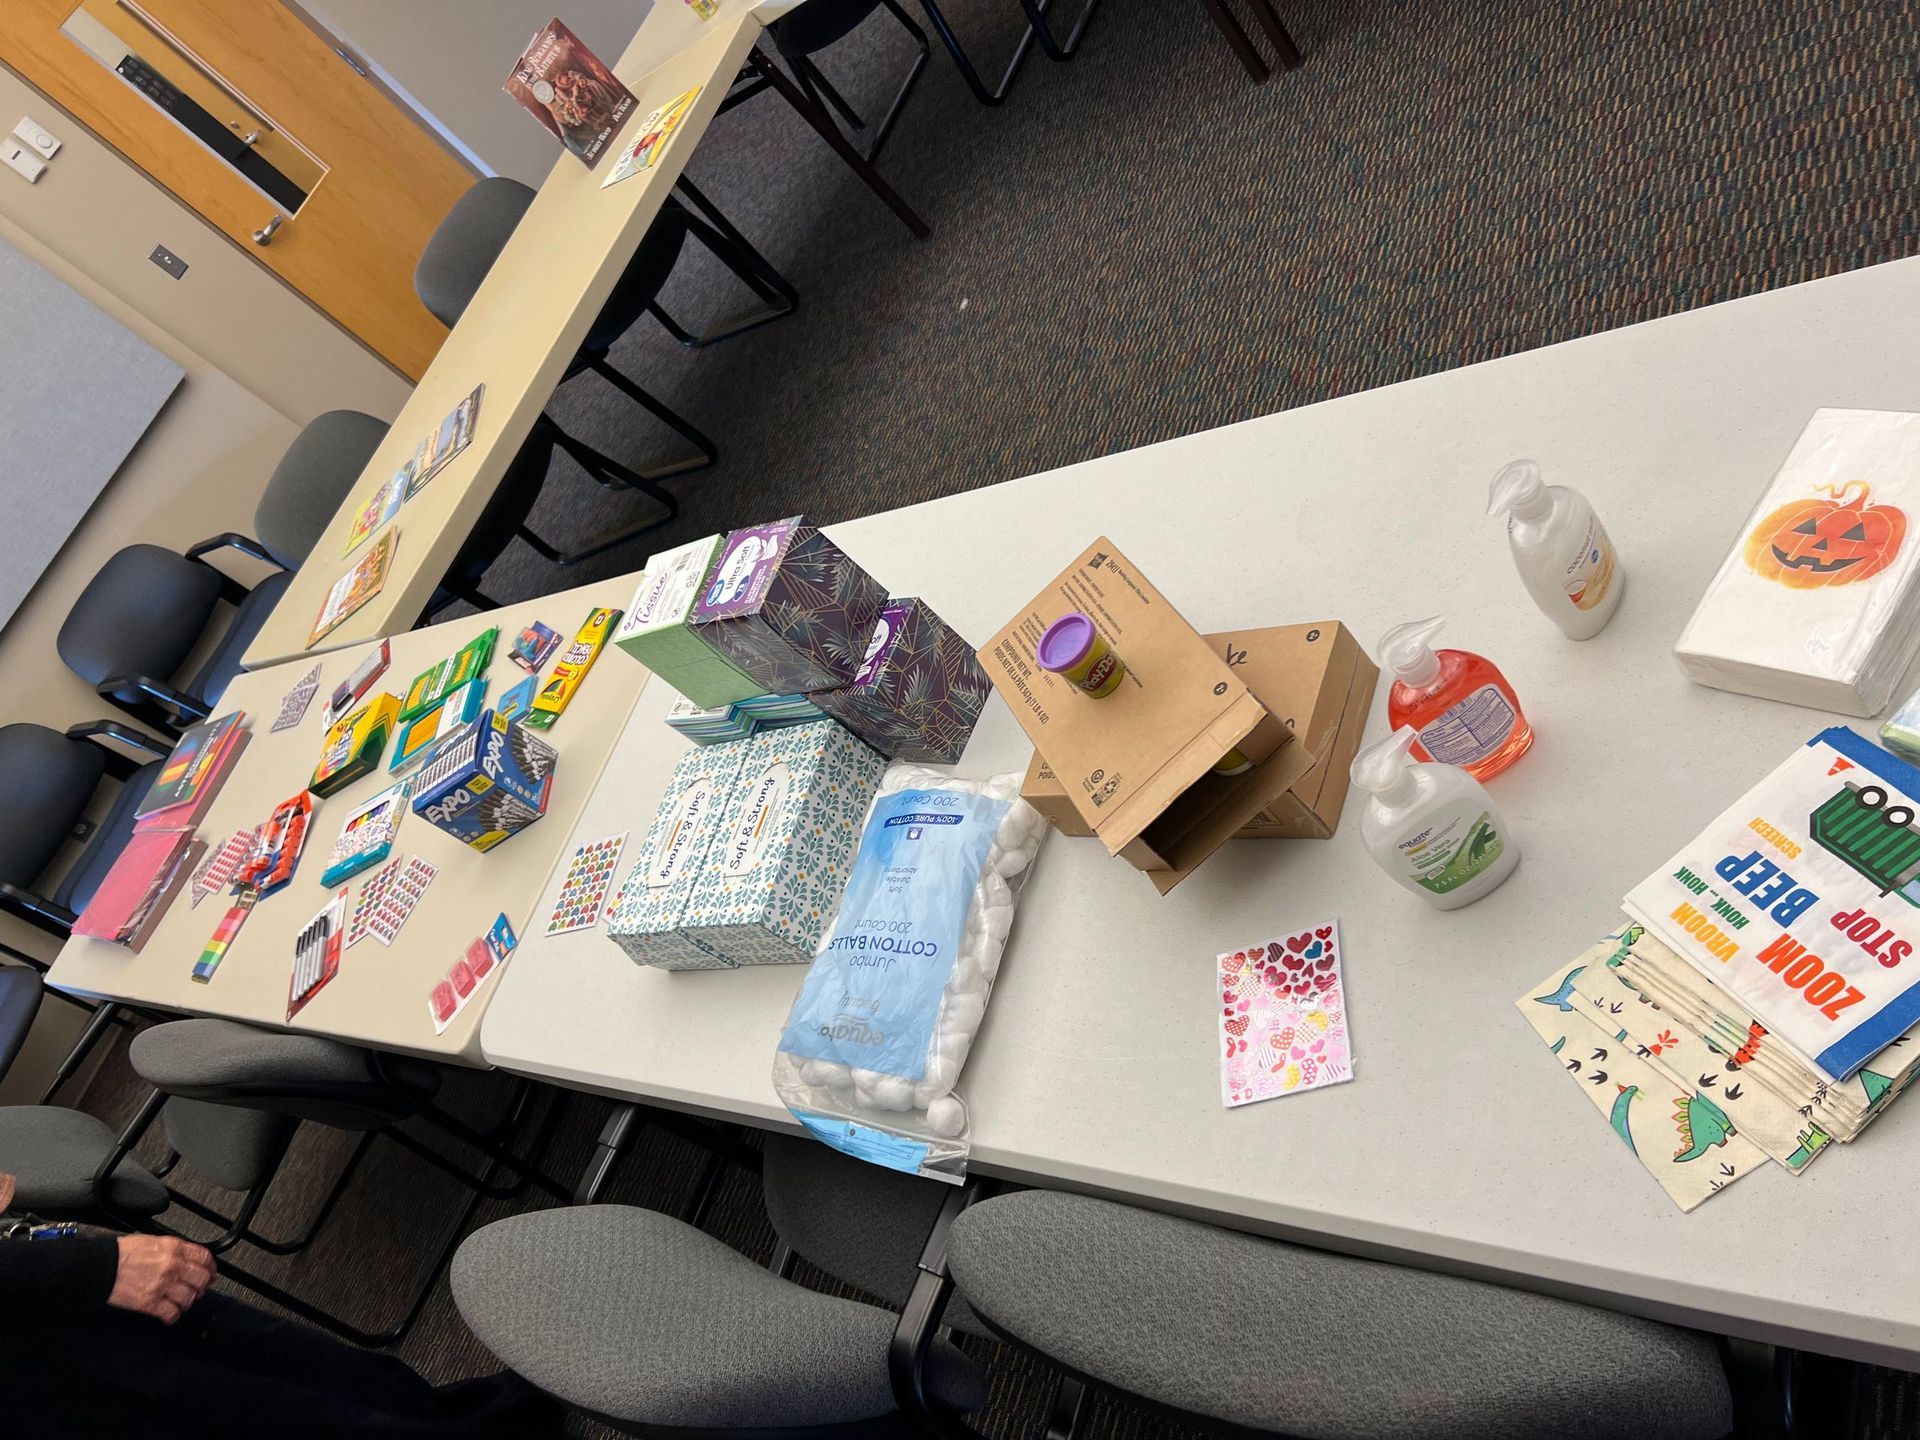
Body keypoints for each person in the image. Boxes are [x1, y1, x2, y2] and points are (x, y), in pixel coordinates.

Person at [0, 1172, 560, 1438]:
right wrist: (88, 1270)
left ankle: (469, 1418)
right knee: (289, 1420)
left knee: (317, 1367)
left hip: (42, 1278)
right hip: (38, 1350)